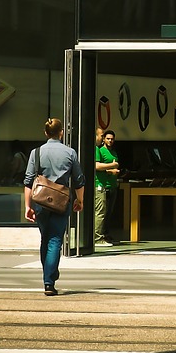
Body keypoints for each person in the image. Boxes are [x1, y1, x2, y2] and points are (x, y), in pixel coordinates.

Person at [23, 117, 84, 296]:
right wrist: (79, 200)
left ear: (45, 133)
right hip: (61, 201)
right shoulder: (70, 153)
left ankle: (49, 276)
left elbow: (28, 182)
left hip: (40, 202)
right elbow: (79, 180)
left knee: (45, 239)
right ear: (61, 132)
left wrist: (28, 206)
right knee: (55, 240)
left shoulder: (36, 153)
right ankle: (49, 280)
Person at [94, 127, 120, 247]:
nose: (110, 140)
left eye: (112, 139)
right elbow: (97, 166)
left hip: (112, 185)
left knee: (108, 212)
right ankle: (97, 237)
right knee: (100, 212)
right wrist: (112, 167)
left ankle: (104, 234)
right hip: (101, 185)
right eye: (106, 137)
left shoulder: (113, 151)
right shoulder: (98, 150)